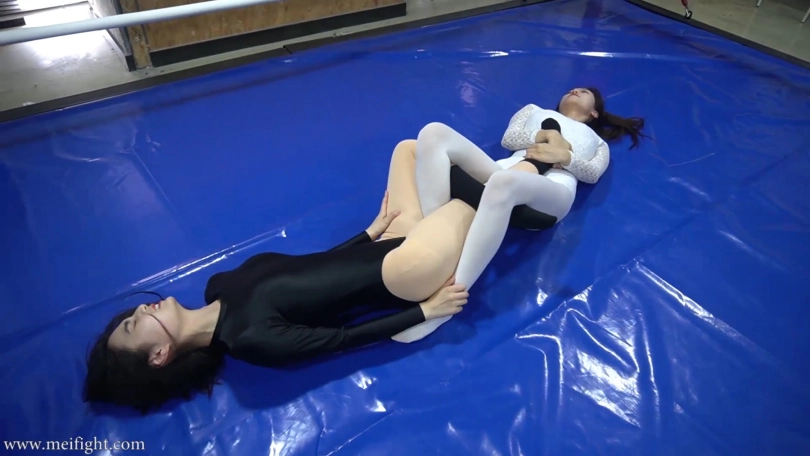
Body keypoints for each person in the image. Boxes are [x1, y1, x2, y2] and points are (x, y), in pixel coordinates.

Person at [82, 133, 556, 413]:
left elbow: (310, 269)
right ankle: (538, 164)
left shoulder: (216, 286)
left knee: (410, 149)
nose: (140, 311)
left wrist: (367, 233)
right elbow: (342, 339)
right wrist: (424, 311)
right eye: (133, 326)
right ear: (160, 356)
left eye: (130, 316)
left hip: (388, 242)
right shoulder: (249, 340)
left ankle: (505, 184)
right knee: (473, 201)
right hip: (404, 272)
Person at [391, 87, 647, 343]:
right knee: (433, 132)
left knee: (504, 183)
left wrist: (565, 157)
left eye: (584, 92)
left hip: (551, 190)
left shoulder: (598, 142)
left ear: (594, 112)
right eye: (572, 89)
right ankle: (428, 237)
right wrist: (542, 137)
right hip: (504, 170)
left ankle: (448, 302)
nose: (575, 91)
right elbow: (510, 139)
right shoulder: (534, 110)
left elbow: (592, 173)